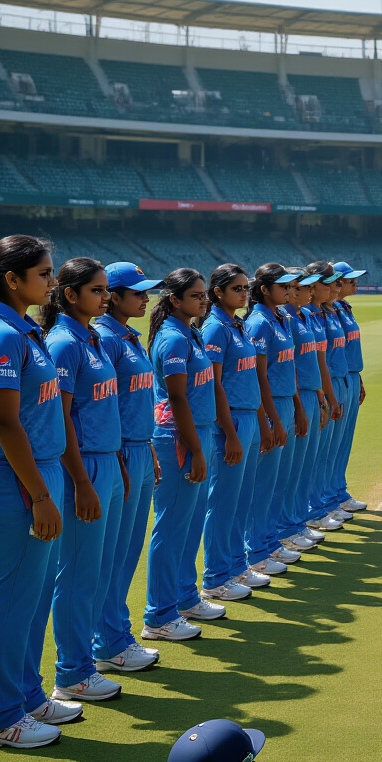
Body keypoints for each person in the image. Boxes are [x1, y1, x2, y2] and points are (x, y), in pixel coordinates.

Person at [0, 236, 77, 749]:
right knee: (10, 601)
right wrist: (40, 495)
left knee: (31, 599)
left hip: (35, 476)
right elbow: (6, 423)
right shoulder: (3, 335)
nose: (52, 282)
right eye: (45, 273)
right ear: (13, 279)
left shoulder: (25, 330)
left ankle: (27, 696)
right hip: (15, 482)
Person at [42, 257, 127, 702]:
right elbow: (62, 420)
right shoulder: (63, 344)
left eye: (106, 289)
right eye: (96, 290)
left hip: (107, 462)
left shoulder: (90, 337)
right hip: (85, 468)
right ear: (70, 294)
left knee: (96, 571)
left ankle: (88, 660)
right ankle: (71, 672)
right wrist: (81, 481)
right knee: (76, 574)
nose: (105, 296)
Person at [93, 262, 164, 674]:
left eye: (145, 292)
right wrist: (122, 454)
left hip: (137, 449)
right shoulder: (105, 338)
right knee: (112, 557)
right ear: (112, 297)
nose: (144, 298)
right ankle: (108, 641)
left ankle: (114, 636)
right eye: (136, 292)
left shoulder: (127, 336)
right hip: (116, 454)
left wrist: (148, 448)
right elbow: (104, 409)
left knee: (125, 553)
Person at [142, 269, 219, 641]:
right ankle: (158, 615)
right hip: (177, 438)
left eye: (204, 295)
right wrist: (195, 449)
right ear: (174, 299)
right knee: (171, 528)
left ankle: (184, 597)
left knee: (188, 527)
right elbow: (177, 398)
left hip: (194, 433)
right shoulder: (173, 338)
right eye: (195, 296)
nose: (203, 301)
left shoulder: (191, 331)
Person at [200, 264, 270, 602]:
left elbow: (249, 378)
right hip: (231, 423)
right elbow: (214, 385)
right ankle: (215, 576)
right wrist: (228, 431)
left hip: (248, 418)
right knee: (224, 501)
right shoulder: (215, 328)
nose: (245, 294)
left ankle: (235, 566)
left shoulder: (237, 324)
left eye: (246, 288)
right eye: (237, 289)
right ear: (218, 293)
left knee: (241, 499)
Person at [244, 264, 304, 572]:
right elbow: (259, 375)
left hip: (283, 402)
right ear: (265, 289)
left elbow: (287, 367)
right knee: (262, 483)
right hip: (268, 407)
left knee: (275, 481)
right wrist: (273, 420)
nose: (289, 290)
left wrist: (295, 406)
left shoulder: (280, 318)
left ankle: (268, 542)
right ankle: (255, 550)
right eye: (282, 286)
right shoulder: (259, 322)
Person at [278, 270, 330, 553]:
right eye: (302, 288)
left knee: (300, 466)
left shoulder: (303, 317)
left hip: (308, 394)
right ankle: (284, 528)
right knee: (285, 472)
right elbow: (289, 369)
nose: (309, 292)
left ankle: (296, 522)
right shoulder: (281, 320)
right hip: (292, 398)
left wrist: (321, 398)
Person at [306, 266, 349, 531]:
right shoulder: (309, 315)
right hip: (309, 392)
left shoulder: (324, 313)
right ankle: (313, 509)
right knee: (314, 457)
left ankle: (328, 499)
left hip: (334, 383)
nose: (337, 286)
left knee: (332, 449)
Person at [328, 262, 369, 515]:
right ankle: (326, 500)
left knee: (342, 443)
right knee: (329, 446)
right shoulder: (326, 312)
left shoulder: (343, 308)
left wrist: (358, 377)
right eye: (348, 279)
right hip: (333, 380)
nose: (354, 283)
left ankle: (337, 492)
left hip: (349, 377)